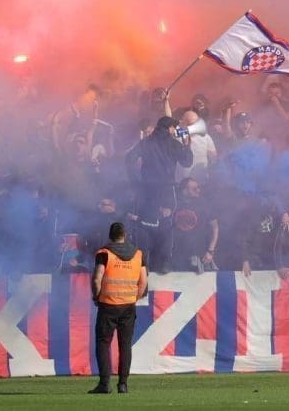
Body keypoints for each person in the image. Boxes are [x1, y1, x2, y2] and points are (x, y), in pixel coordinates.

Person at [124, 115, 192, 273]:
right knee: (166, 226)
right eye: (174, 128)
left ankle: (143, 263)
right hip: (166, 191)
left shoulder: (146, 142)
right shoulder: (173, 143)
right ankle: (163, 263)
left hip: (146, 191)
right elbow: (187, 161)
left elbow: (129, 158)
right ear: (169, 128)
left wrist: (136, 181)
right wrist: (187, 144)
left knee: (143, 224)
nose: (175, 130)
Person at [90, 221, 147, 395]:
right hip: (128, 306)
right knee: (125, 345)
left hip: (108, 304)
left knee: (103, 343)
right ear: (125, 235)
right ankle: (123, 384)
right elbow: (143, 281)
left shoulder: (104, 253)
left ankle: (104, 384)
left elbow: (96, 278)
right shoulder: (138, 254)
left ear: (110, 235)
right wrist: (133, 298)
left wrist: (96, 296)